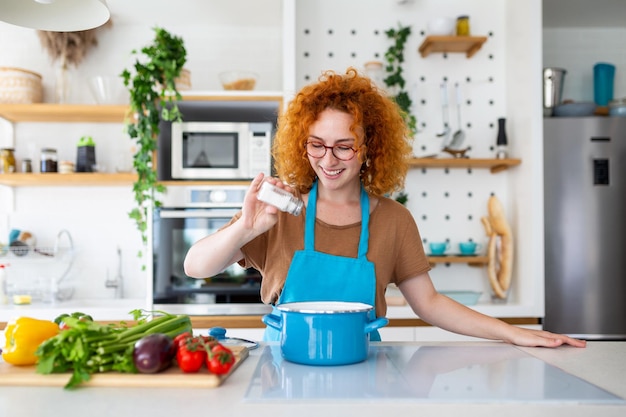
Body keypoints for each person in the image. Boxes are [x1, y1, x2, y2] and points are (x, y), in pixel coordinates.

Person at [184, 67, 586, 348]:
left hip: (363, 367)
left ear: (368, 150)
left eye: (344, 145)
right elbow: (195, 266)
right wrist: (245, 229)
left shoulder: (394, 220)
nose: (328, 159)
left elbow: (429, 303)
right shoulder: (277, 212)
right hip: (283, 367)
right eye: (316, 144)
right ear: (302, 145)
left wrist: (511, 332)